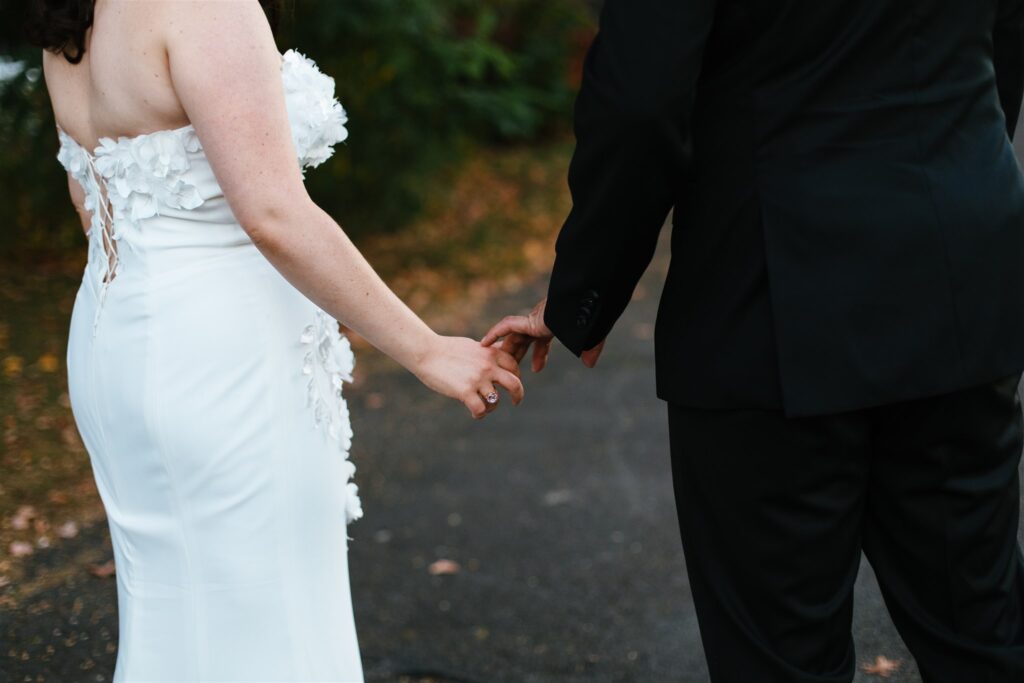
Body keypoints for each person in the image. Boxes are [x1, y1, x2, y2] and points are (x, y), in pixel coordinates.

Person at [484, 1, 1024, 681]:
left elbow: (642, 101)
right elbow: (1005, 36)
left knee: (780, 657)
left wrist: (587, 286)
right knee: (984, 633)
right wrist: (944, 189)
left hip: (770, 292)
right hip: (956, 276)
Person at [29, 1, 524, 680]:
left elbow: (93, 206)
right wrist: (427, 348)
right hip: (222, 363)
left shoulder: (71, 23)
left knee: (172, 615)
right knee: (271, 620)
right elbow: (272, 213)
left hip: (113, 341)